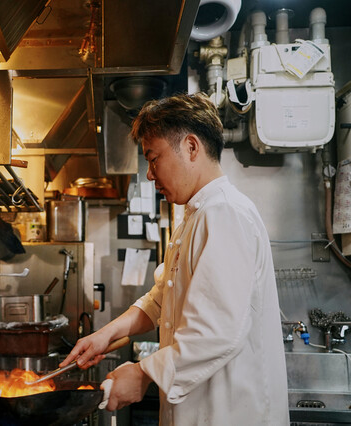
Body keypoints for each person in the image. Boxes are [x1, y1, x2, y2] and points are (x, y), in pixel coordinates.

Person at [60, 92, 289, 425]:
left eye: (154, 159)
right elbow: (161, 299)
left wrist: (143, 374)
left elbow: (216, 331)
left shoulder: (225, 213)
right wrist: (104, 335)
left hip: (227, 414)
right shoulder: (195, 217)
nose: (150, 175)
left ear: (191, 147)